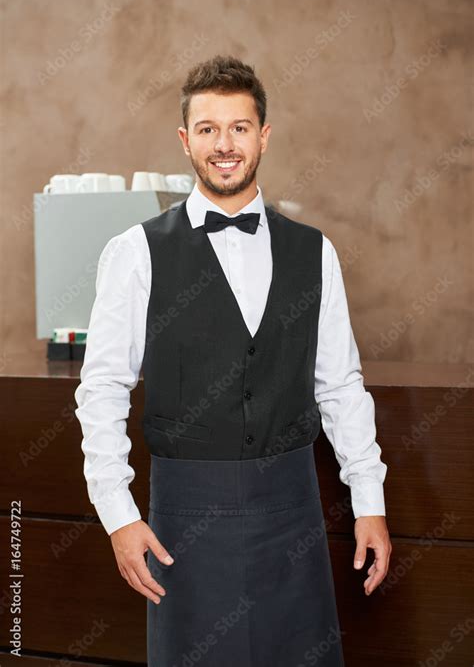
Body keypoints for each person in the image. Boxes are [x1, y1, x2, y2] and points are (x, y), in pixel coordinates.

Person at [74, 54, 391, 667]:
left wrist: (369, 503)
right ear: (185, 139)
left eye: (240, 128)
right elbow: (103, 389)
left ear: (263, 136)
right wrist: (117, 514)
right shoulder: (135, 253)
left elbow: (341, 387)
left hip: (292, 512)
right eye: (208, 128)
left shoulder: (314, 251)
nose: (225, 144)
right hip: (184, 519)